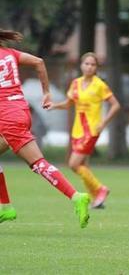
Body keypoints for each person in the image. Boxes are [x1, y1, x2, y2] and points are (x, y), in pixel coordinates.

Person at [0, 29, 90, 228]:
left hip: (8, 118)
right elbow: (39, 62)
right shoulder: (9, 54)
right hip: (21, 110)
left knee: (38, 164)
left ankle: (76, 196)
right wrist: (46, 92)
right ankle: (6, 208)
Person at [48, 52, 120, 208]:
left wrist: (104, 122)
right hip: (77, 130)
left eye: (93, 64)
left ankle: (101, 189)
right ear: (81, 65)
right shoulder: (76, 83)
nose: (89, 67)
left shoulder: (100, 85)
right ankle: (97, 199)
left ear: (96, 68)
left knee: (73, 164)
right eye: (86, 63)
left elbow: (115, 105)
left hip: (91, 130)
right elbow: (69, 104)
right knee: (83, 166)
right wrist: (54, 106)